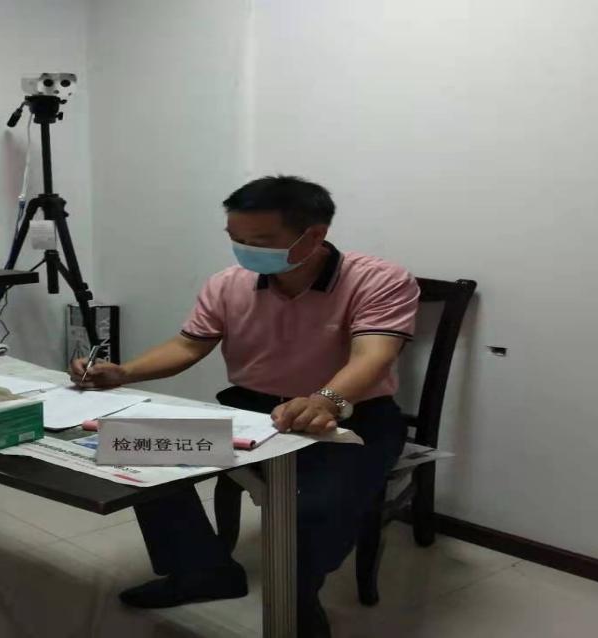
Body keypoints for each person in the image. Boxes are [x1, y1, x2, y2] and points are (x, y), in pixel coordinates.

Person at [69, 175, 419, 637]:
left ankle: (297, 599)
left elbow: (373, 355)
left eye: (261, 241)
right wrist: (124, 372)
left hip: (352, 418)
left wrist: (326, 400)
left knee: (313, 508)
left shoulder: (378, 279)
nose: (245, 251)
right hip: (251, 414)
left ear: (314, 235)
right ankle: (202, 572)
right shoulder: (228, 284)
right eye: (236, 238)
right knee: (134, 446)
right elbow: (188, 345)